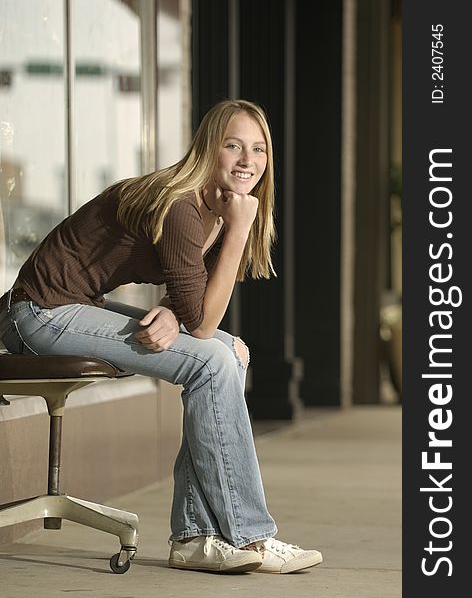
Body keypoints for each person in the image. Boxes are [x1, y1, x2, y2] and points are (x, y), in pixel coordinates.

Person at [0, 99, 322, 574]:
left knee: (230, 354)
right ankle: (250, 535)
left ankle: (195, 538)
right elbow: (203, 323)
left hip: (77, 308)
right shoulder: (184, 207)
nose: (247, 161)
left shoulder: (214, 207)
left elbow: (190, 305)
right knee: (213, 357)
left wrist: (175, 312)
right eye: (232, 145)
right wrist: (237, 232)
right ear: (208, 148)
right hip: (37, 314)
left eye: (258, 149)